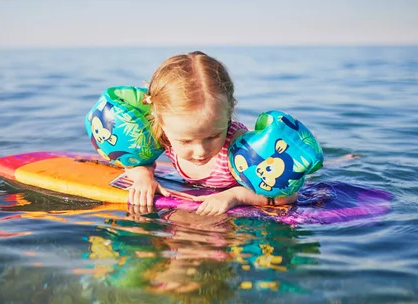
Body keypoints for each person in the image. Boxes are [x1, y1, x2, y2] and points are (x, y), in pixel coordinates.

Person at [124, 51, 298, 216]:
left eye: (212, 136)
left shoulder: (238, 146)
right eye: (185, 141)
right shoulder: (161, 134)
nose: (200, 151)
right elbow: (133, 161)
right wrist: (143, 177)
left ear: (229, 112)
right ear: (159, 120)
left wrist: (237, 196)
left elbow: (288, 195)